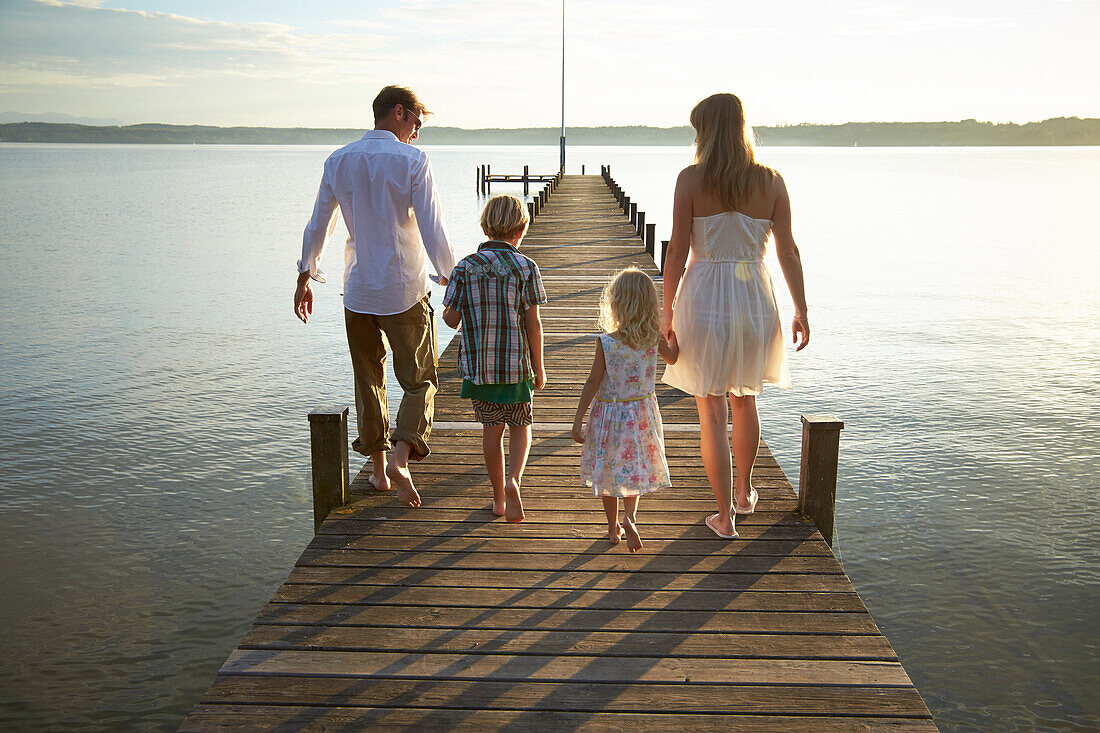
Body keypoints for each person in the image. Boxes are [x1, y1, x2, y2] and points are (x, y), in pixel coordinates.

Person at [294, 85, 456, 509]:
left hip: (359, 289)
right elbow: (432, 225)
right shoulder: (413, 161)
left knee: (369, 380)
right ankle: (403, 456)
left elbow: (319, 224)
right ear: (399, 113)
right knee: (421, 380)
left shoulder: (338, 160)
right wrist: (450, 277)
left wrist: (305, 274)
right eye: (417, 123)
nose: (417, 135)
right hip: (404, 289)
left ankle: (381, 473)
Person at [661, 93, 809, 540]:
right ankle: (744, 493)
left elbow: (677, 251)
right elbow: (788, 250)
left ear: (707, 133)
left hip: (703, 297)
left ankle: (723, 516)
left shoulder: (690, 179)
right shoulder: (771, 181)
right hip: (753, 301)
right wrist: (801, 309)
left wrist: (666, 311)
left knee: (710, 409)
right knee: (744, 399)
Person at [442, 195, 546, 523]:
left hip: (480, 371)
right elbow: (534, 324)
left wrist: (448, 301)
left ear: (485, 227)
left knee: (492, 430)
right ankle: (516, 480)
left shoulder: (465, 267)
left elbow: (451, 320)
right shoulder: (526, 267)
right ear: (522, 229)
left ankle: (499, 498)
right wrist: (539, 368)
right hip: (517, 369)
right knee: (520, 427)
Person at [572, 268, 679, 552]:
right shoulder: (653, 340)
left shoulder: (607, 342)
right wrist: (673, 333)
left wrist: (578, 419)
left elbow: (594, 381)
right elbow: (674, 358)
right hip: (641, 415)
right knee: (632, 470)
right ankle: (630, 517)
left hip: (609, 415)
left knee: (609, 472)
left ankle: (612, 528)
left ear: (616, 304)